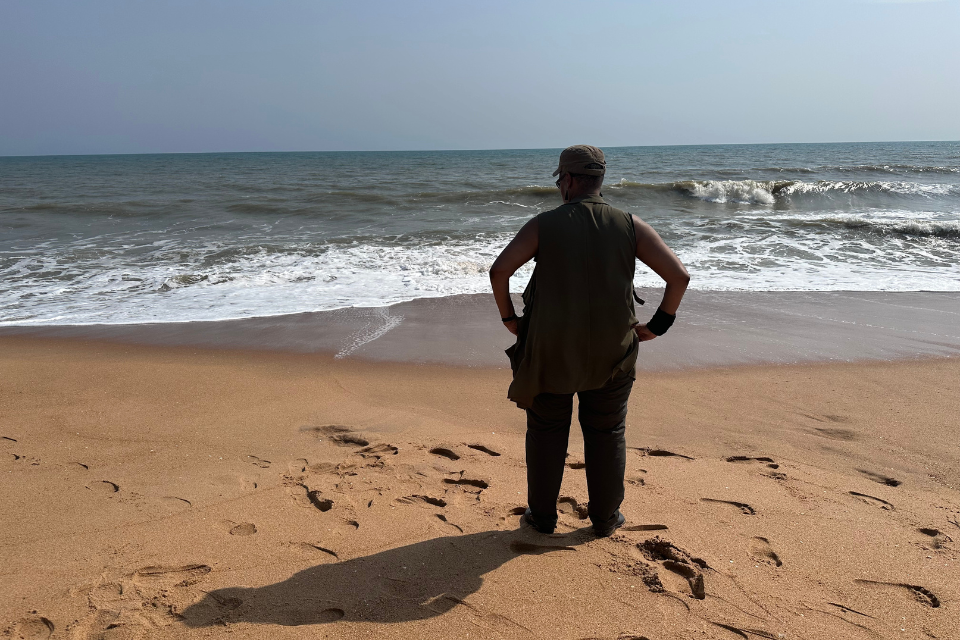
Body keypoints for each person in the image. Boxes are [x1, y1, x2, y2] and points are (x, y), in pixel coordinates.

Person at [489, 145, 690, 537]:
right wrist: (657, 325)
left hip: (549, 352)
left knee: (546, 430)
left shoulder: (543, 225)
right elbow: (678, 277)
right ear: (599, 180)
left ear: (566, 179)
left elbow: (500, 272)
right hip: (612, 352)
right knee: (607, 431)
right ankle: (604, 518)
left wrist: (509, 318)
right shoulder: (631, 225)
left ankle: (543, 517)